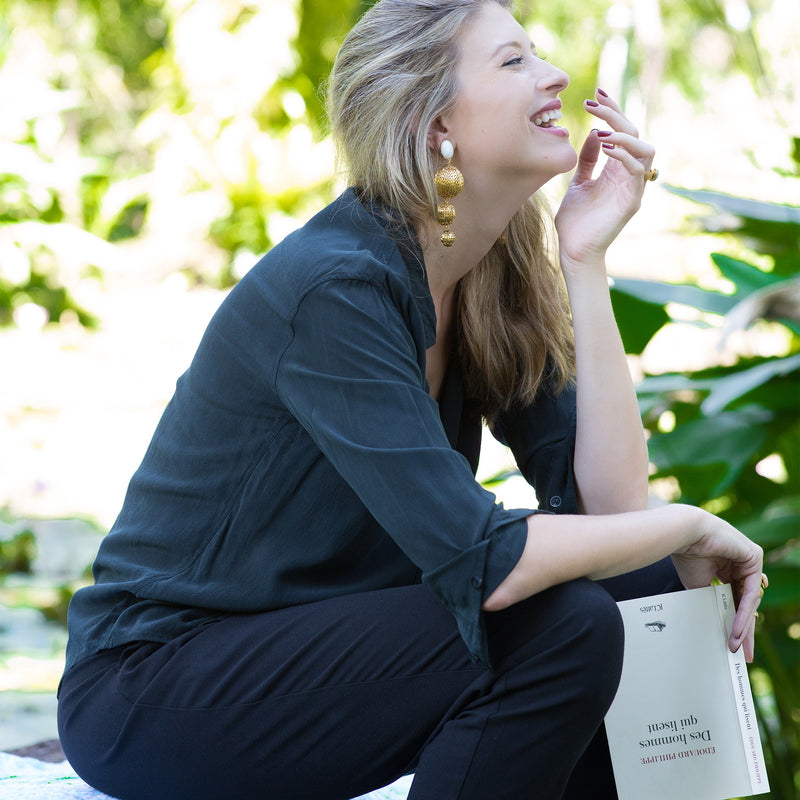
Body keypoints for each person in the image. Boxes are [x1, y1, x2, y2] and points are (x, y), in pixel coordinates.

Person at [57, 1, 765, 798]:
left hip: (314, 648)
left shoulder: (496, 274)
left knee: (638, 585)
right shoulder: (336, 288)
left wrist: (586, 261)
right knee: (561, 624)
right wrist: (689, 524)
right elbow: (483, 564)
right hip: (158, 684)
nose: (554, 75)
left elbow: (611, 511)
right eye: (512, 61)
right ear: (434, 123)